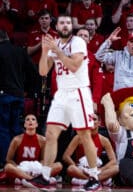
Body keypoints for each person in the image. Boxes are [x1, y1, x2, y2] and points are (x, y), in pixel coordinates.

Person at [21, 14, 101, 191]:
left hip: (78, 91)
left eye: (67, 23)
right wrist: (44, 50)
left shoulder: (78, 42)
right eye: (61, 23)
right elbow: (43, 71)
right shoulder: (54, 43)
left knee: (84, 134)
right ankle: (45, 175)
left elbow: (74, 66)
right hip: (62, 94)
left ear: (71, 26)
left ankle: (94, 176)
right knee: (50, 133)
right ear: (56, 26)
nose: (65, 25)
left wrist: (56, 52)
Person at [0, 29, 38, 170]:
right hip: (18, 95)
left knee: (2, 129)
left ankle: (5, 163)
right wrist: (27, 89)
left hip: (3, 95)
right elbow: (34, 71)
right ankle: (19, 161)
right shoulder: (20, 51)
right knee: (15, 128)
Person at [4, 114, 62, 184]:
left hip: (36, 170)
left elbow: (43, 159)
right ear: (25, 125)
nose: (30, 121)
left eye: (33, 119)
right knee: (8, 167)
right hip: (21, 169)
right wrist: (18, 168)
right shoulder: (16, 139)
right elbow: (9, 159)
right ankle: (33, 179)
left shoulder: (43, 140)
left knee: (58, 165)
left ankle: (26, 179)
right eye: (27, 119)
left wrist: (37, 168)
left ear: (36, 124)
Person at [63, 113, 118, 186]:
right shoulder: (78, 137)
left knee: (116, 168)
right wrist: (77, 167)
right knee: (71, 168)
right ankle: (97, 181)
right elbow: (66, 156)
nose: (92, 121)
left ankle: (88, 181)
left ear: (99, 123)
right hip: (82, 170)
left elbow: (113, 160)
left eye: (94, 119)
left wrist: (101, 169)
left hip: (96, 170)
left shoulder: (104, 140)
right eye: (90, 119)